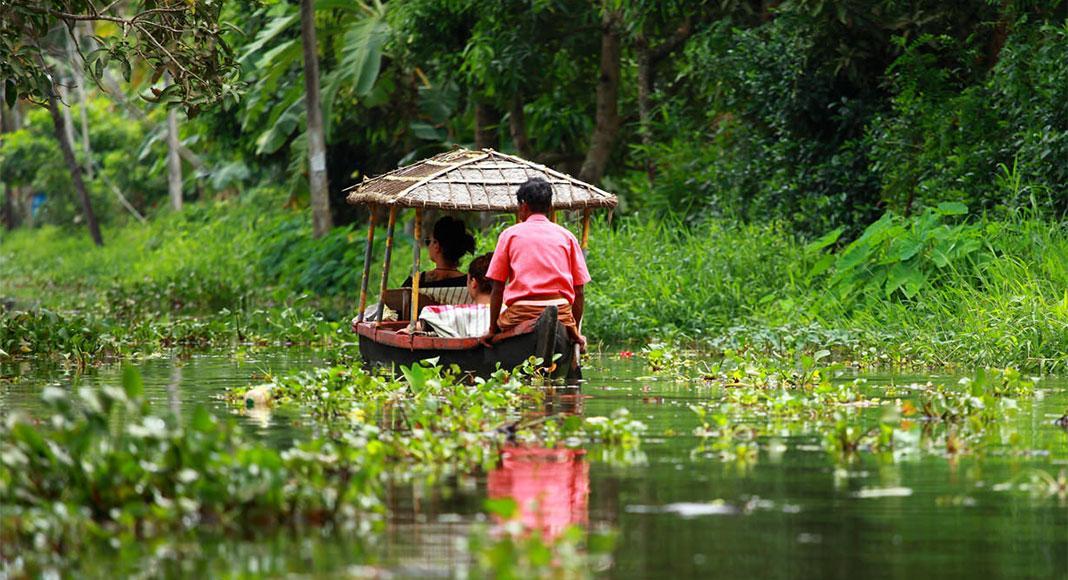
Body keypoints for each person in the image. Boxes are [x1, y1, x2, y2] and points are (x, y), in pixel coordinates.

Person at [481, 178, 589, 348]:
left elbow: (498, 288)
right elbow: (579, 291)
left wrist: (492, 329)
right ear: (549, 206)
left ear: (523, 205)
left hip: (521, 312)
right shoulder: (566, 236)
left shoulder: (509, 235)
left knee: (501, 331)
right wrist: (574, 329)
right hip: (561, 312)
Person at [401, 252, 494, 337]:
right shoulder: (506, 313)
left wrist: (410, 327)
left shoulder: (455, 313)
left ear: (473, 282)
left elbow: (422, 322)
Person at [402, 216, 475, 288]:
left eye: (428, 242)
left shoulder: (415, 282)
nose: (428, 247)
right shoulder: (471, 284)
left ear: (436, 245)